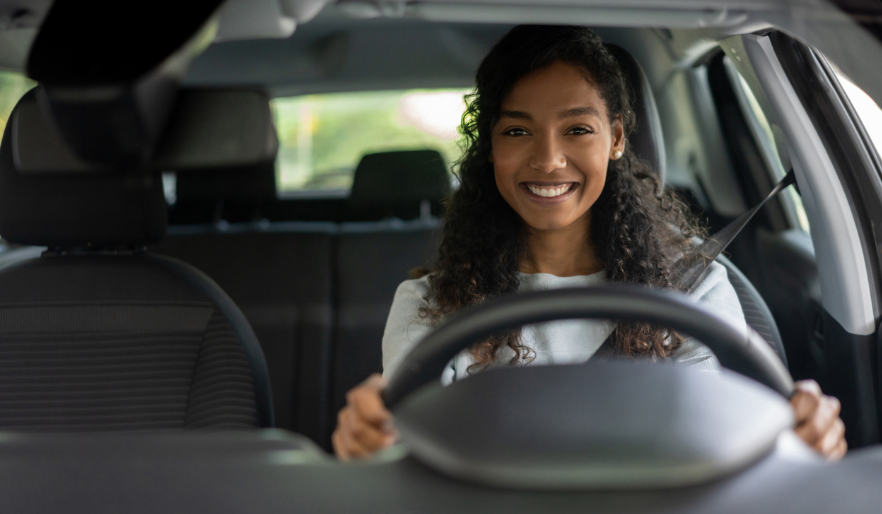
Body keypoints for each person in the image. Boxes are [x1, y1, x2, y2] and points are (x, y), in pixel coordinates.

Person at [332, 25, 847, 461]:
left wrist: (795, 438)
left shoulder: (693, 289)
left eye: (577, 128)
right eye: (517, 132)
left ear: (617, 139)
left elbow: (729, 441)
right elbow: (409, 458)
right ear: (490, 146)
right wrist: (374, 441)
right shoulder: (429, 307)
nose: (549, 159)